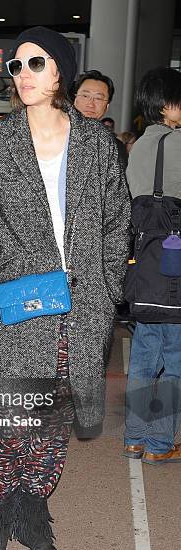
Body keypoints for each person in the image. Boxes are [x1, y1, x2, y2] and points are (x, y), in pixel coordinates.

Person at [0, 26, 131, 550]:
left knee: (57, 414)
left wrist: (106, 289)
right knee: (19, 412)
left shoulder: (96, 143)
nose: (22, 76)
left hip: (83, 303)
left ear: (60, 70)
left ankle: (32, 509)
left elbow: (117, 223)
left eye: (34, 64)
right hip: (19, 299)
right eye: (15, 67)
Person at [124, 66, 181, 464]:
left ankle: (134, 437)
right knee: (175, 358)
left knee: (145, 353)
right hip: (175, 269)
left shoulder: (140, 145)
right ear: (166, 104)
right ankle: (160, 445)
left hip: (145, 265)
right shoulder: (179, 144)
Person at [72, 70, 128, 167]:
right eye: (85, 96)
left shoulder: (114, 147)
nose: (90, 104)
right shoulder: (55, 137)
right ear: (75, 99)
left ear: (107, 106)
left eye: (98, 98)